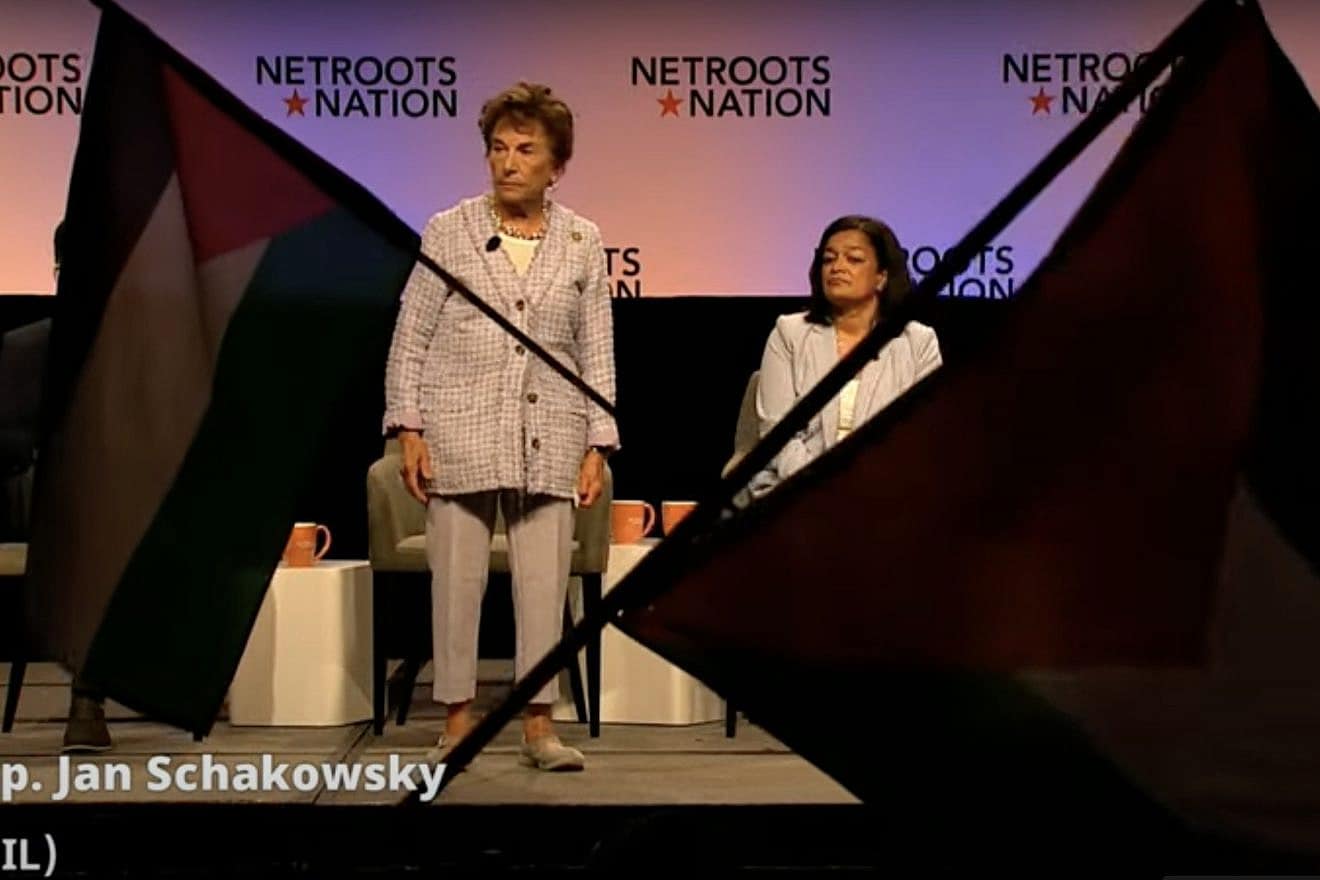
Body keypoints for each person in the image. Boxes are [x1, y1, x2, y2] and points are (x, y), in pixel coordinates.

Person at [382, 82, 618, 772]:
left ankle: (539, 726)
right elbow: (411, 335)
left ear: (556, 166)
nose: (508, 162)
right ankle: (457, 721)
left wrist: (598, 441)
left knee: (544, 584)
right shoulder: (448, 229)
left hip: (553, 428)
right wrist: (410, 428)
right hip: (459, 424)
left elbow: (595, 345)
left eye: (525, 150)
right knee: (454, 580)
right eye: (498, 147)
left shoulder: (582, 238)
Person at [747, 215, 941, 498]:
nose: (837, 267)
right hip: (794, 490)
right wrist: (830, 487)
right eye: (829, 259)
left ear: (882, 277)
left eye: (854, 259)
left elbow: (920, 436)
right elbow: (779, 434)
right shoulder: (789, 333)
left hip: (886, 493)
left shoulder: (918, 342)